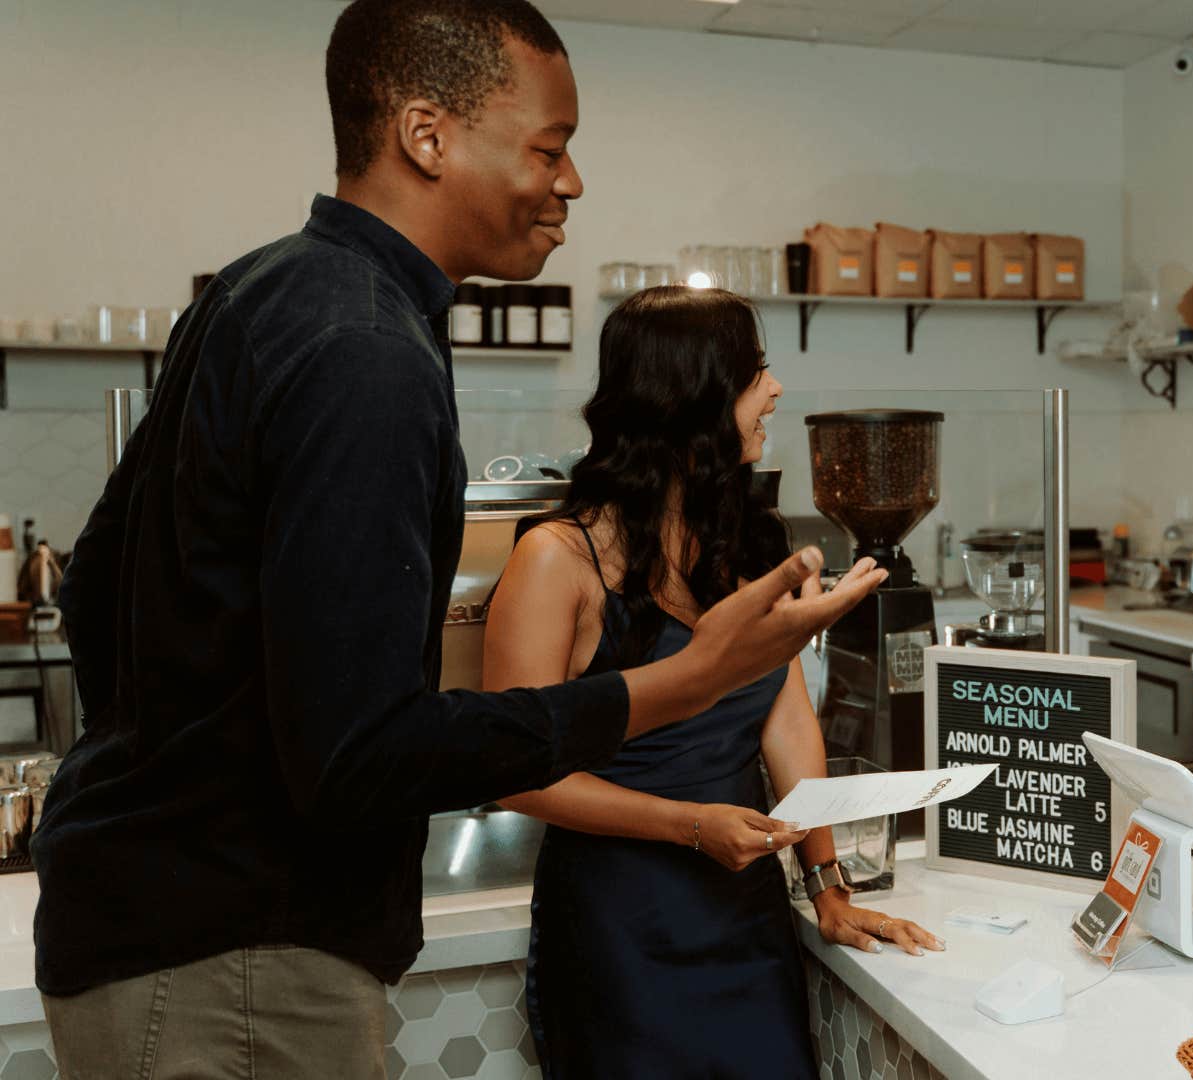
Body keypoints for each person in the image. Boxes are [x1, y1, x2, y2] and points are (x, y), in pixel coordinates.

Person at [33, 4, 884, 1076]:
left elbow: (98, 585)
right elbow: (356, 757)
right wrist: (683, 682)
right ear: (426, 136)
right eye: (549, 148)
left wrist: (184, 768)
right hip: (236, 956)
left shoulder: (268, 289)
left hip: (168, 923)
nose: (570, 183)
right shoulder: (367, 351)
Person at [483, 286, 941, 1078]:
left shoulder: (745, 546)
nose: (776, 390)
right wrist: (691, 826)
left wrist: (827, 885)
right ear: (691, 395)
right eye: (755, 371)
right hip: (620, 932)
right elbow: (514, 773)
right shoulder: (556, 560)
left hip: (745, 923)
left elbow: (788, 724)